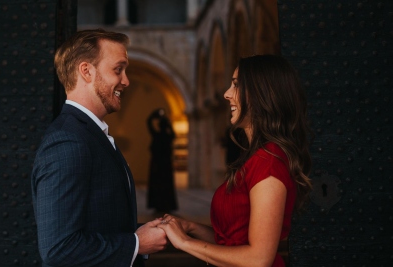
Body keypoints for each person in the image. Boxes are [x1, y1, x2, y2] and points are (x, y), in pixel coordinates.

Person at [157, 55, 312, 267]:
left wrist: (184, 242)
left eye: (237, 85)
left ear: (262, 94)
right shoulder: (256, 157)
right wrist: (192, 228)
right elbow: (233, 243)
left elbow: (258, 259)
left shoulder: (269, 162)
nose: (227, 94)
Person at [31, 29, 167, 267]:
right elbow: (58, 249)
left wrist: (141, 232)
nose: (126, 80)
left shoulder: (88, 134)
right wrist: (136, 243)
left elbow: (98, 224)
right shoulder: (68, 141)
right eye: (118, 69)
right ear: (86, 71)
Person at [146, 108, 178, 213]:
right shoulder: (168, 136)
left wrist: (155, 115)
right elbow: (173, 134)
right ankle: (166, 204)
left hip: (157, 165)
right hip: (165, 165)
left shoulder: (157, 135)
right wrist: (168, 122)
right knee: (166, 185)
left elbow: (149, 123)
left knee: (158, 185)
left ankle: (158, 204)